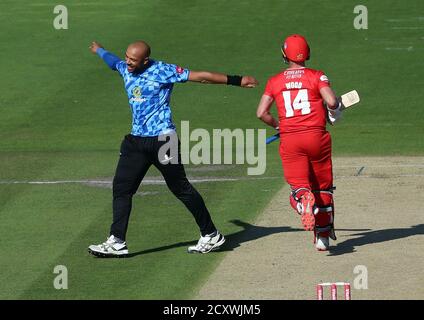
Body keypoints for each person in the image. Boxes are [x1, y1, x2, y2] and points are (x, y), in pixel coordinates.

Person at [87, 40, 258, 257]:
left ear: (145, 60)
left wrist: (237, 80)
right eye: (127, 57)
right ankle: (117, 241)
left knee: (180, 188)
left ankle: (211, 235)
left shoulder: (163, 70)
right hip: (137, 142)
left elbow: (201, 76)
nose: (128, 62)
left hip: (163, 139)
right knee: (121, 189)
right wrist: (99, 50)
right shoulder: (124, 68)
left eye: (133, 60)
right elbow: (113, 63)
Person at [256, 34, 342, 251]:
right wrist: (334, 112)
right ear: (308, 53)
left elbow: (261, 113)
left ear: (285, 54)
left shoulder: (274, 81)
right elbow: (331, 101)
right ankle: (322, 238)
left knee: (300, 187)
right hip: (316, 138)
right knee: (322, 189)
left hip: (291, 140)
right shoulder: (317, 76)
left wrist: (278, 125)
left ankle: (303, 201)